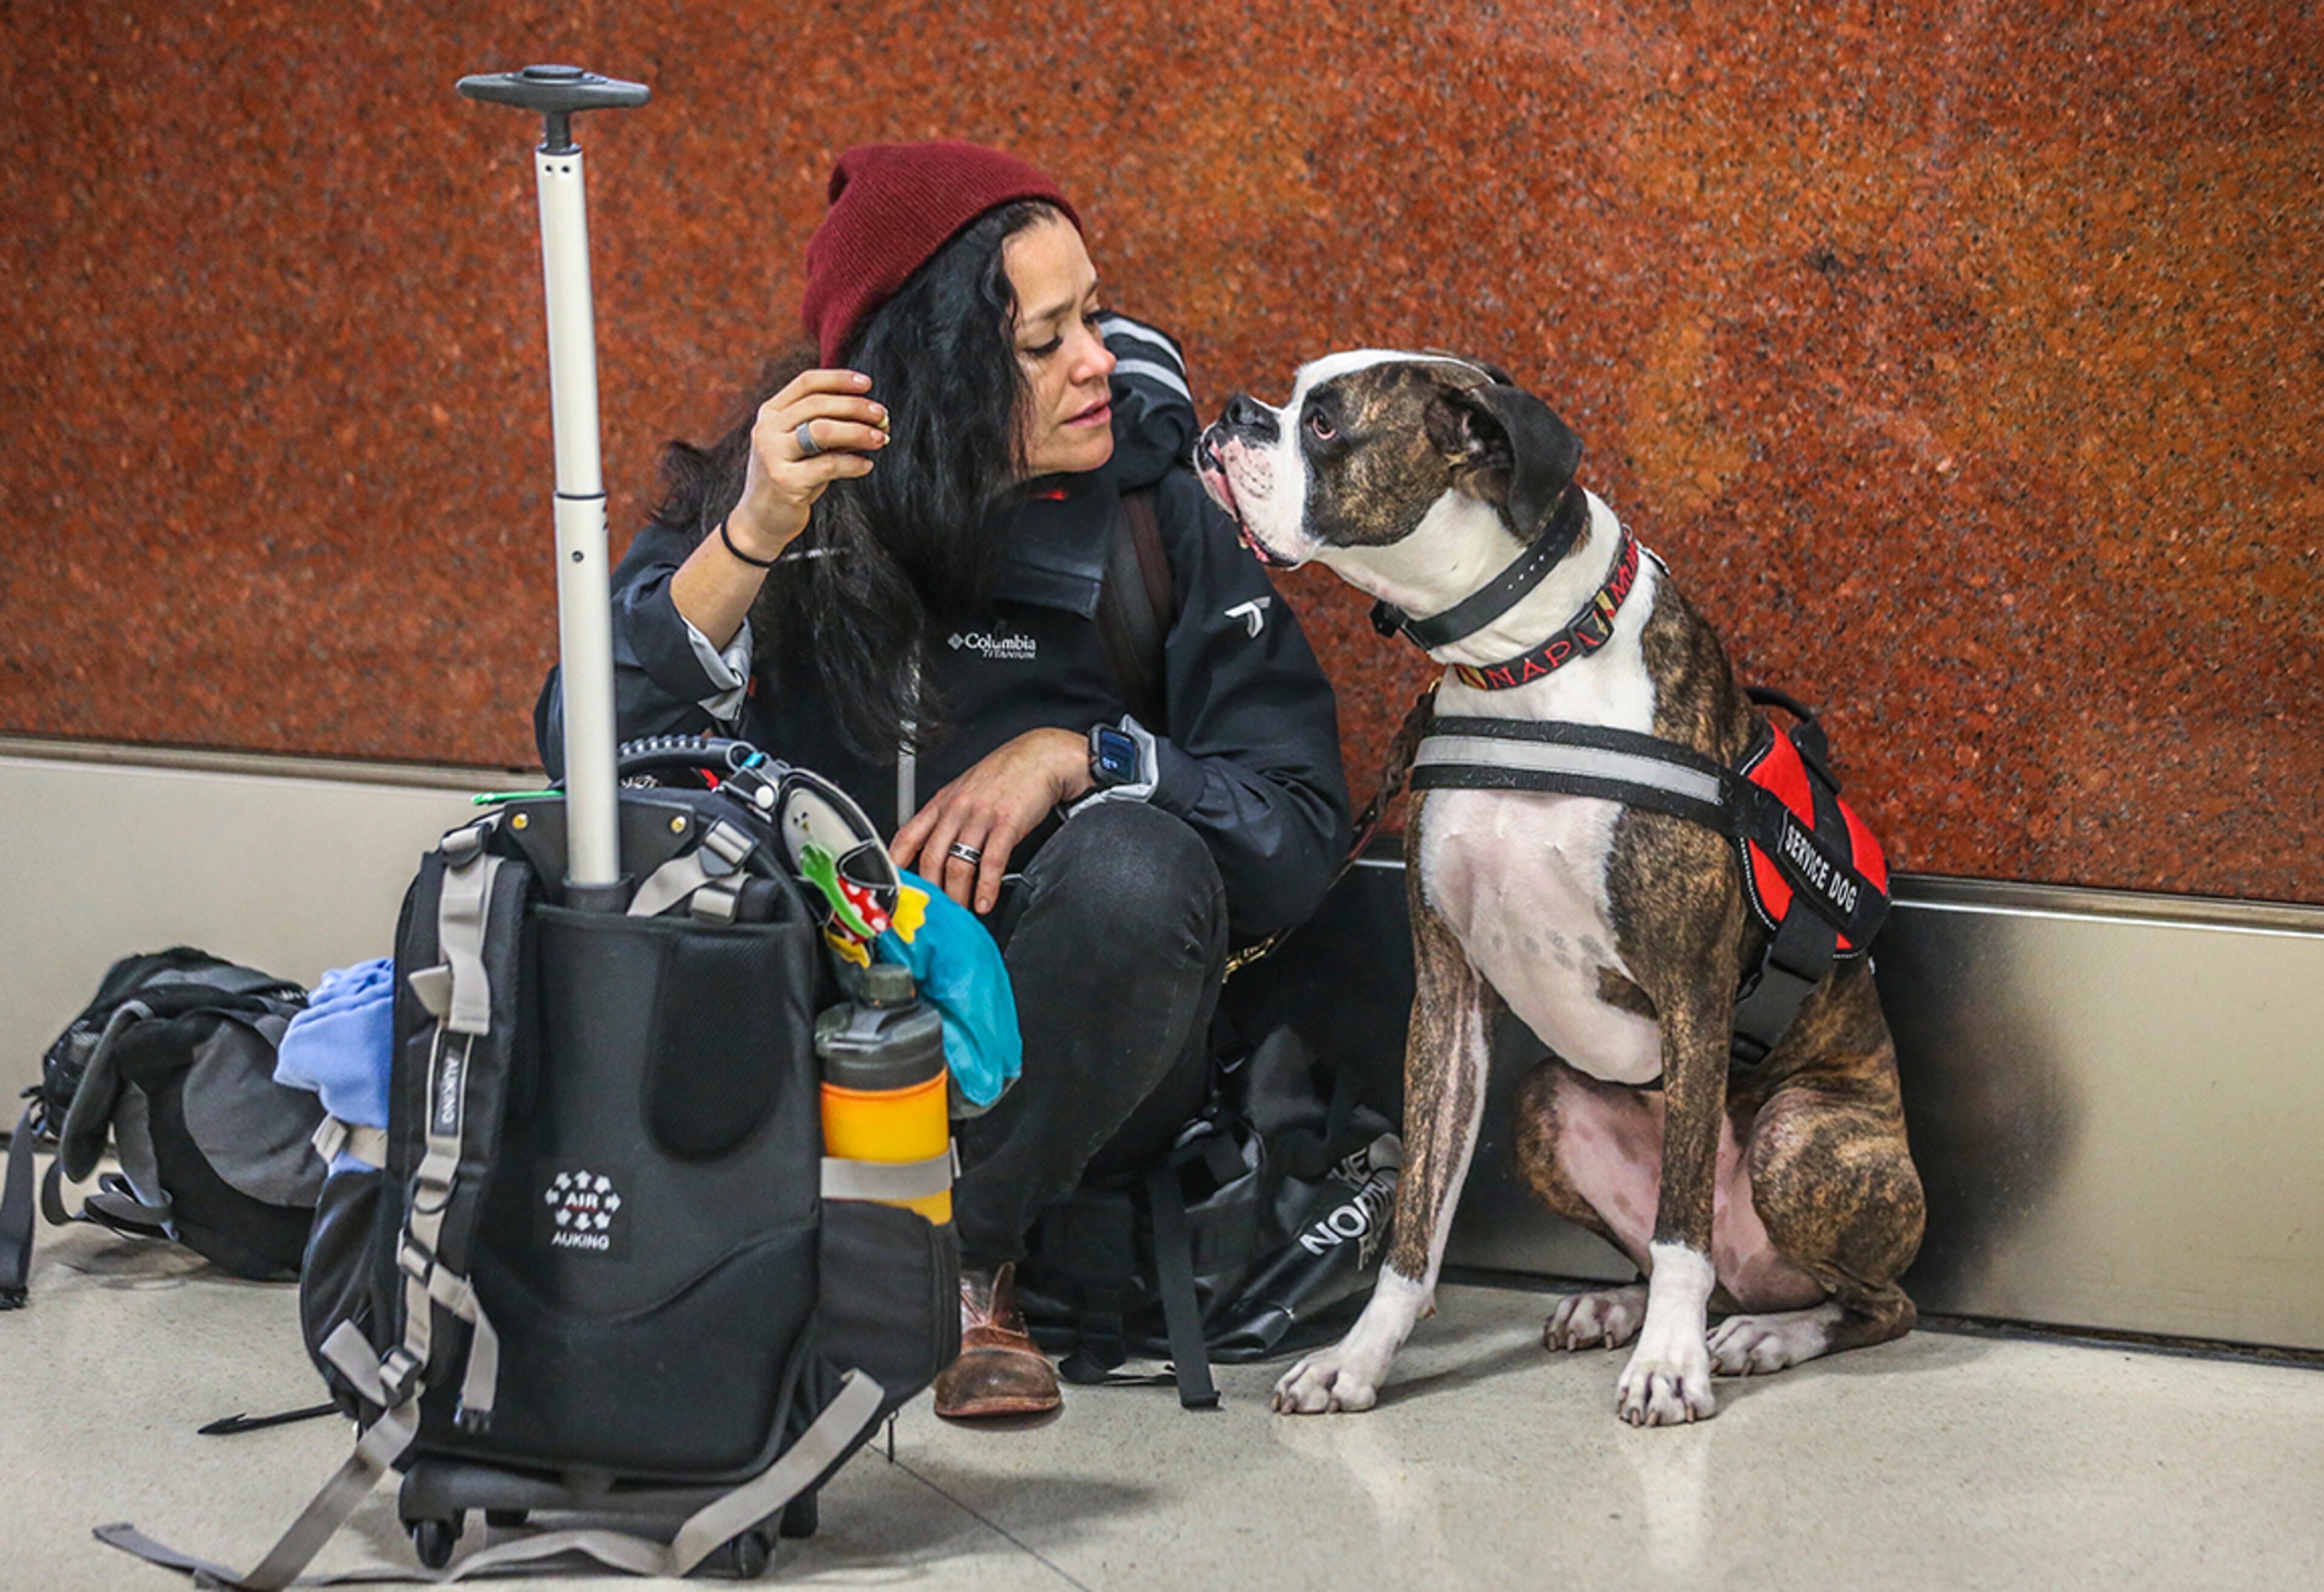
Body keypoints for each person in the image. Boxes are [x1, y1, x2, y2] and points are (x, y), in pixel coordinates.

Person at [535, 141, 1349, 1419]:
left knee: (1140, 869)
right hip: (821, 1033)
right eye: (1045, 341)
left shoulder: (1152, 510)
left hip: (1078, 1062)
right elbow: (584, 761)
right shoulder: (783, 489)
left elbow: (1297, 832)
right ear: (932, 370)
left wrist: (1087, 756)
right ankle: (832, 1244)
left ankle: (960, 1262)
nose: (1101, 358)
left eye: (1095, 315)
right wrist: (749, 537)